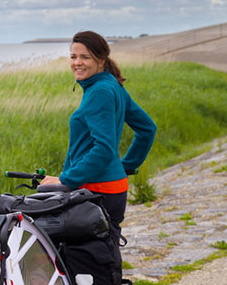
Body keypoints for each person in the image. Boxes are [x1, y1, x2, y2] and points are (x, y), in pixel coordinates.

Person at [40, 30, 157, 236]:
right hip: (110, 187)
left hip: (97, 190)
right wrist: (125, 167)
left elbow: (104, 149)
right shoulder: (111, 85)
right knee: (103, 255)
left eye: (85, 57)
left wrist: (66, 179)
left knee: (88, 259)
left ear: (101, 60)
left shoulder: (100, 91)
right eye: (73, 56)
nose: (77, 62)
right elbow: (147, 129)